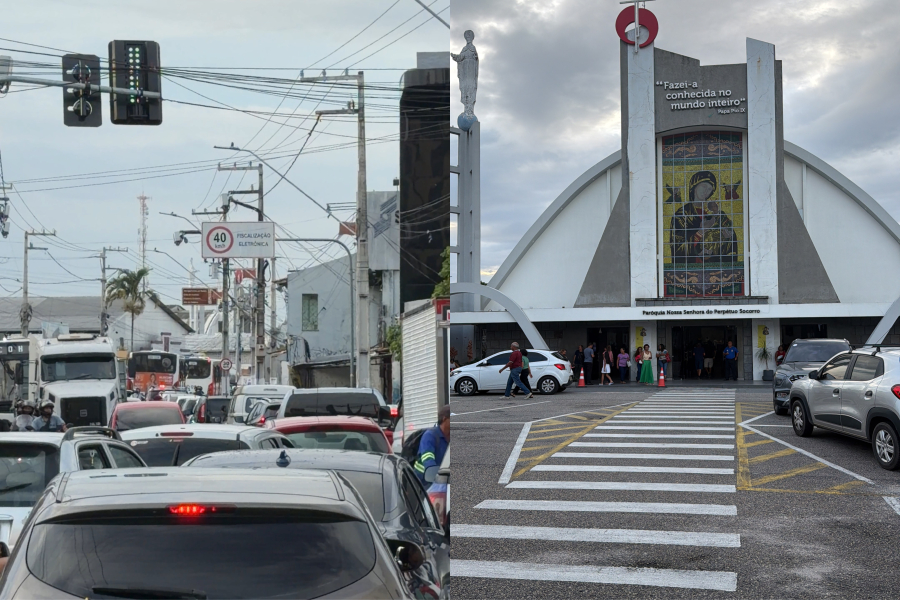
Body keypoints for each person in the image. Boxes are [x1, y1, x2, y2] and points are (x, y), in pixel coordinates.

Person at [413, 405, 450, 485]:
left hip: (442, 480)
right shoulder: (430, 435)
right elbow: (428, 459)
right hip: (424, 481)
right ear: (444, 419)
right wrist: (436, 476)